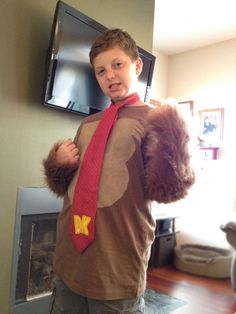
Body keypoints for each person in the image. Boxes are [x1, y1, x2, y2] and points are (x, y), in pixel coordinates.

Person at [43, 28, 195, 314]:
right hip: (69, 260)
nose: (109, 75)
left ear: (136, 66)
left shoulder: (154, 119)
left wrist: (174, 137)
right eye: (100, 71)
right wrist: (58, 164)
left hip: (117, 263)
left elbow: (171, 189)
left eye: (117, 65)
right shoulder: (87, 124)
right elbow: (69, 185)